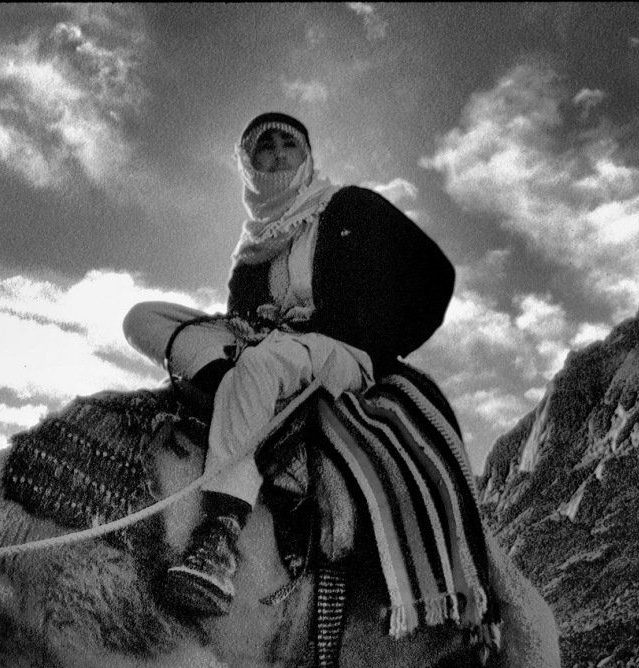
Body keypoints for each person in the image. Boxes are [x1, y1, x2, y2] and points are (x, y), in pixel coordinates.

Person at [123, 111, 456, 617]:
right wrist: (241, 336)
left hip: (336, 348)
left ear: (306, 157)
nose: (278, 153)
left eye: (288, 144)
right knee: (143, 318)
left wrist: (382, 345)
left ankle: (218, 538)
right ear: (249, 165)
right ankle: (240, 399)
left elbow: (434, 274)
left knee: (261, 366)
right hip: (264, 346)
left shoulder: (350, 206)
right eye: (265, 146)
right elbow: (237, 317)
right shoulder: (253, 248)